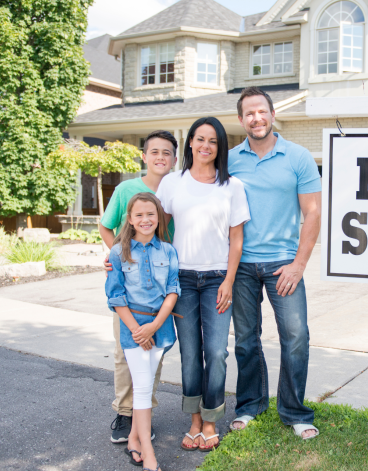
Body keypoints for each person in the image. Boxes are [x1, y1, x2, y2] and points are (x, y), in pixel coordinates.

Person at [227, 87, 322, 439]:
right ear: (241, 120)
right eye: (249, 113)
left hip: (283, 263)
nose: (256, 118)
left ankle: (295, 412)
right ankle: (250, 405)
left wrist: (299, 264)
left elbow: (312, 213)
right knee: (245, 340)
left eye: (261, 111)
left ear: (272, 114)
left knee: (296, 336)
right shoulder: (230, 159)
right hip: (241, 265)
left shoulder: (297, 157)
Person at [156, 117, 250, 451]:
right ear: (191, 143)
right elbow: (157, 227)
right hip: (180, 280)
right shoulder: (172, 183)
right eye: (200, 139)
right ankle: (193, 421)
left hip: (216, 281)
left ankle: (210, 420)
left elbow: (236, 239)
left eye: (213, 141)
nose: (205, 146)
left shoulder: (232, 187)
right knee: (190, 354)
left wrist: (228, 280)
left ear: (219, 147)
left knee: (216, 352)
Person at [99, 130, 178, 443]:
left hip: (160, 285)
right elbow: (107, 226)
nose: (160, 157)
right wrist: (118, 254)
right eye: (154, 151)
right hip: (128, 288)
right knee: (125, 350)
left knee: (152, 351)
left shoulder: (174, 190)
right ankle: (124, 411)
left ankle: (144, 410)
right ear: (144, 156)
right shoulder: (126, 188)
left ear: (174, 159)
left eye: (167, 153)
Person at [105, 192, 180, 471]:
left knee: (145, 384)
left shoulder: (168, 250)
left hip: (159, 328)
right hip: (133, 330)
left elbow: (173, 290)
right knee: (143, 386)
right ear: (130, 219)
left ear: (158, 217)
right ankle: (148, 452)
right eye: (139, 215)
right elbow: (115, 296)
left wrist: (155, 326)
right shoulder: (118, 251)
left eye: (151, 214)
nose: (146, 219)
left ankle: (134, 438)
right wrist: (138, 330)